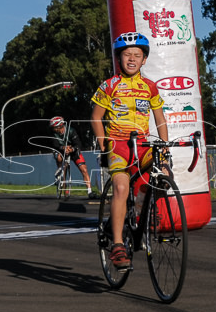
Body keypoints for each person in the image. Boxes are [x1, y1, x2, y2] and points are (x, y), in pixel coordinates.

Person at [90, 31, 168, 270]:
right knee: (121, 188)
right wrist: (104, 147)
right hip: (118, 145)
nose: (132, 59)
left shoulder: (150, 87)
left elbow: (160, 119)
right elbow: (95, 117)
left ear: (144, 59)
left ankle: (145, 210)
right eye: (126, 55)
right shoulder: (110, 86)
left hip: (143, 144)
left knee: (163, 175)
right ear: (119, 58)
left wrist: (163, 147)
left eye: (137, 55)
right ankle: (117, 245)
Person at [49, 116, 96, 198]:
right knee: (61, 164)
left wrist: (72, 149)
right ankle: (62, 182)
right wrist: (63, 148)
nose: (53, 129)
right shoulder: (54, 134)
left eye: (54, 127)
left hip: (73, 150)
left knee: (84, 169)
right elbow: (55, 145)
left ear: (60, 126)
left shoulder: (71, 130)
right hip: (62, 151)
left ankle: (89, 191)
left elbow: (78, 144)